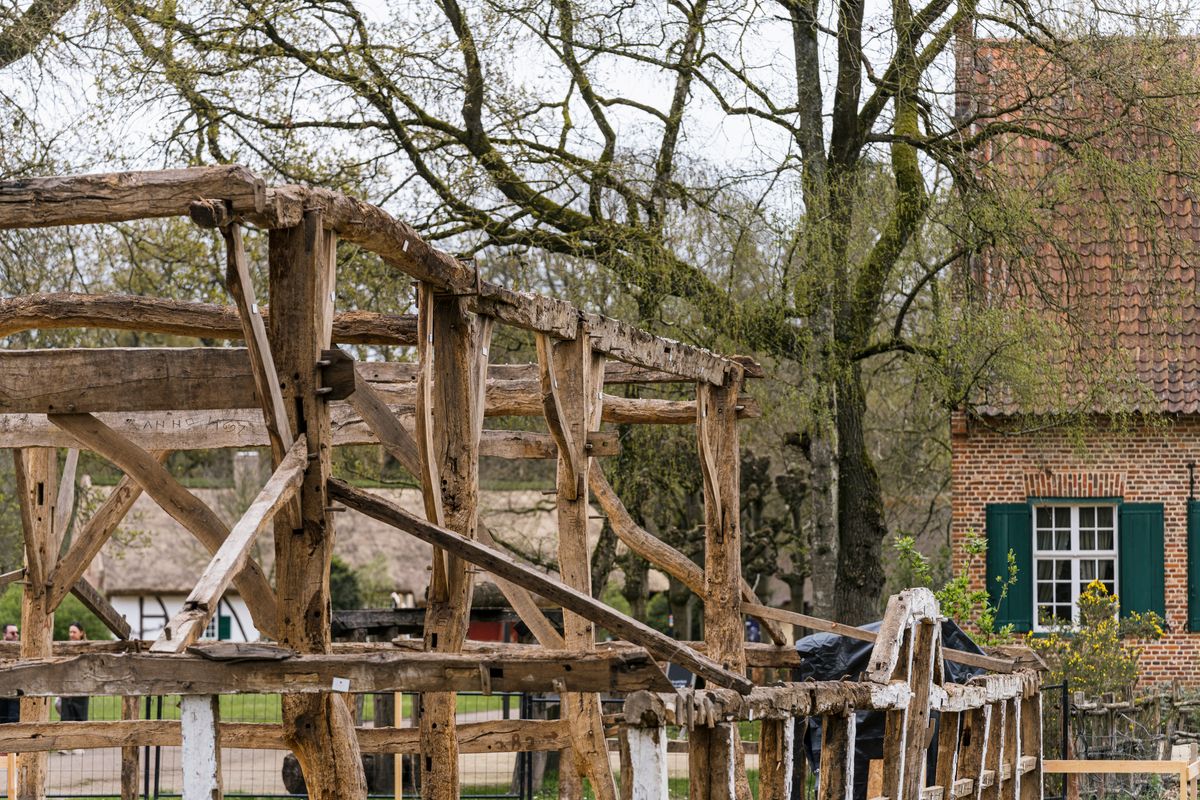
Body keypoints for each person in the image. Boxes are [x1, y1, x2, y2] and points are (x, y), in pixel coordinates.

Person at [59, 623, 89, 723]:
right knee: (65, 721)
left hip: (81, 690)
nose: (71, 634)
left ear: (81, 633)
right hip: (66, 690)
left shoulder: (88, 648)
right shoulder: (65, 648)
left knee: (80, 721)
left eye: (74, 632)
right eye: (70, 632)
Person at [1, 624, 18, 724]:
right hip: (2, 691)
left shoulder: (22, 650)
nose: (16, 635)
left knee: (14, 720)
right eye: (12, 633)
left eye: (17, 633)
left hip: (16, 691)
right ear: (4, 635)